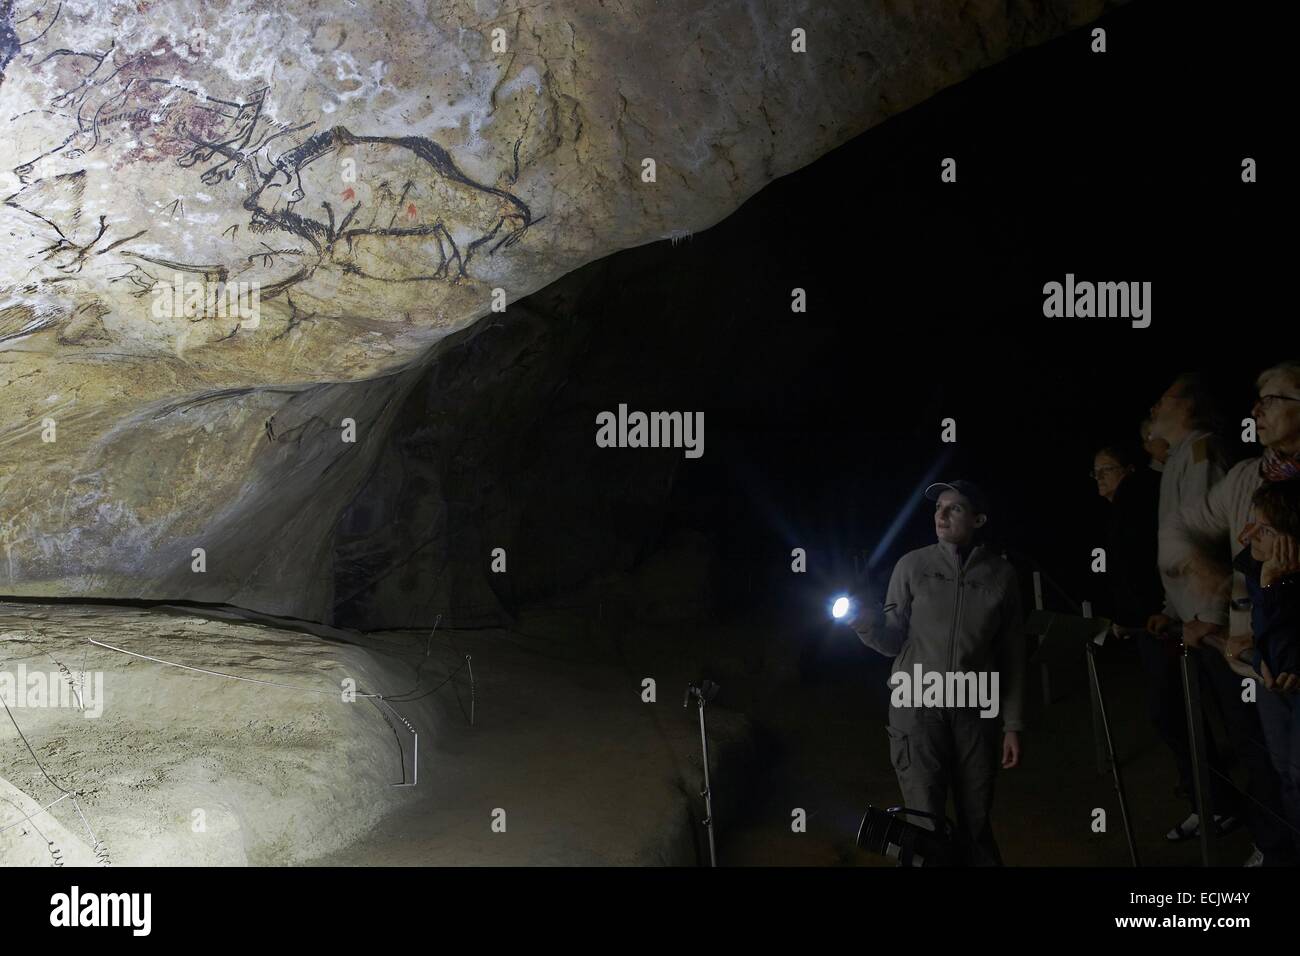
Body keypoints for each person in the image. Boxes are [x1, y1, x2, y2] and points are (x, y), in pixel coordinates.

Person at [1161, 361, 1300, 865]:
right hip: (1262, 659)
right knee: (1283, 772)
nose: (1257, 409)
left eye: (1275, 399)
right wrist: (1206, 575)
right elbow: (1182, 527)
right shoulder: (1246, 478)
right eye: (1257, 398)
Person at [850, 480, 1025, 866]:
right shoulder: (912, 566)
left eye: (955, 508)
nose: (941, 515)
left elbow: (1012, 652)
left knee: (975, 821)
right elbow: (893, 640)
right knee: (922, 824)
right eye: (939, 507)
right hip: (917, 708)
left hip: (976, 712)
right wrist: (865, 624)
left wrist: (1012, 723)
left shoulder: (1002, 576)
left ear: (978, 519)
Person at [1226, 481, 1300, 852]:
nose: (1249, 534)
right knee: (1285, 772)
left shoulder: (1273, 573)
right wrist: (1259, 658)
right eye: (1254, 523)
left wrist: (1273, 584)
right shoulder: (1259, 565)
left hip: (1290, 687)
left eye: (1265, 529)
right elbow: (1267, 640)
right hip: (1276, 687)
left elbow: (1285, 650)